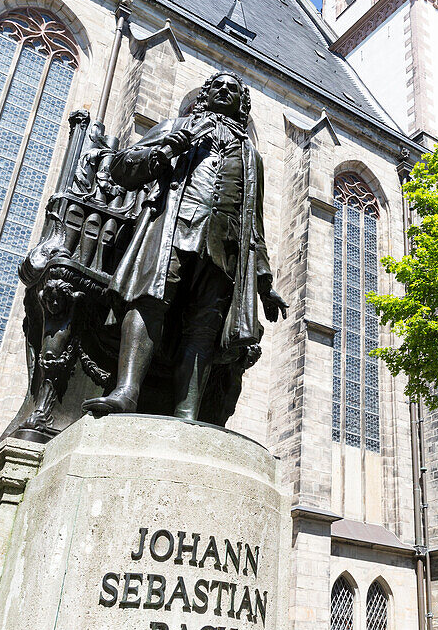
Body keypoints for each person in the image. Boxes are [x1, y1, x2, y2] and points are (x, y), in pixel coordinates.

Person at [82, 69, 286, 421]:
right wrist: (163, 152)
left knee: (205, 325)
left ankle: (187, 411)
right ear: (206, 95)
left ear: (241, 104)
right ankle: (126, 391)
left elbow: (255, 224)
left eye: (232, 89)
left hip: (223, 246)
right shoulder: (176, 128)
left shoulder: (252, 157)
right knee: (149, 299)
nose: (224, 91)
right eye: (217, 86)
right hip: (172, 230)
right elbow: (121, 169)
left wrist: (264, 283)